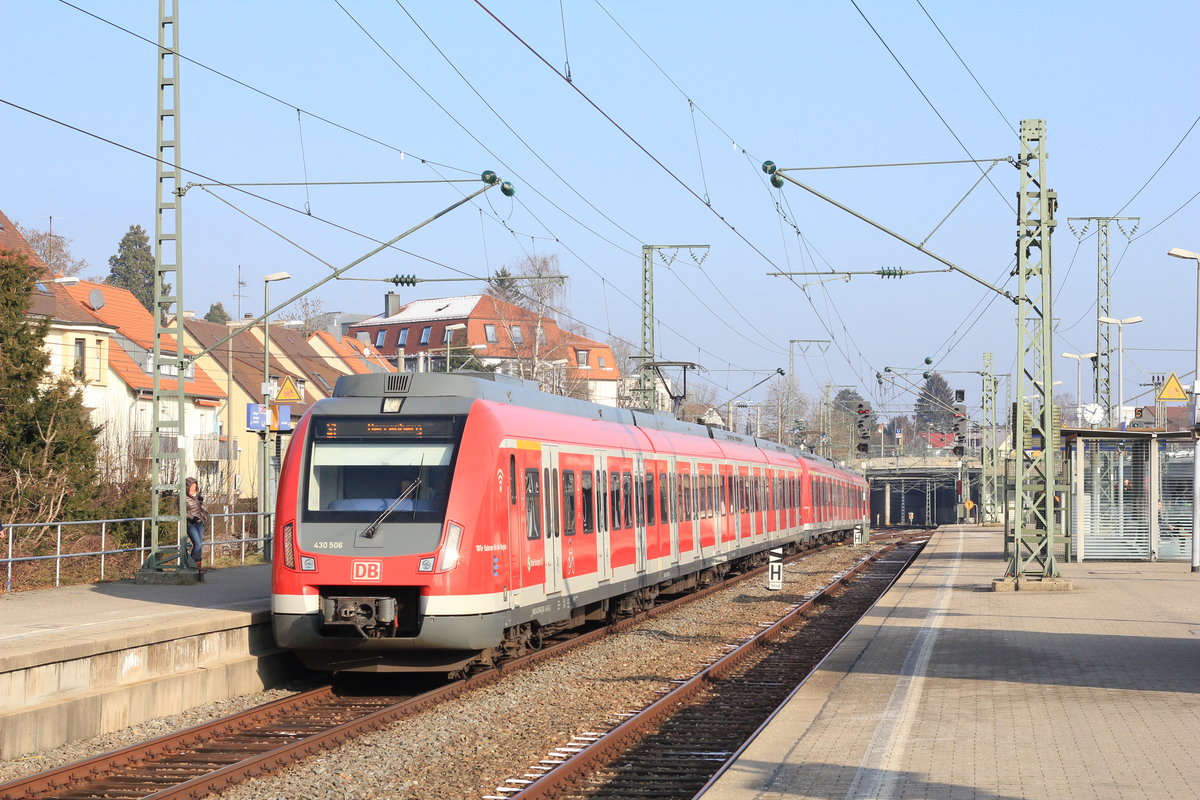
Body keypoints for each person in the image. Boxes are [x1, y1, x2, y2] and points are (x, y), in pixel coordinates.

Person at [185, 477, 209, 572]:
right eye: (192, 486)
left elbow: (202, 509)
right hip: (190, 523)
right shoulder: (183, 497)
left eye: (195, 486)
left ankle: (197, 565)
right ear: (188, 487)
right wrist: (191, 517)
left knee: (200, 544)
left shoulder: (197, 496)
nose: (194, 488)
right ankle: (192, 564)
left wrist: (202, 503)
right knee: (197, 544)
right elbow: (180, 511)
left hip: (199, 522)